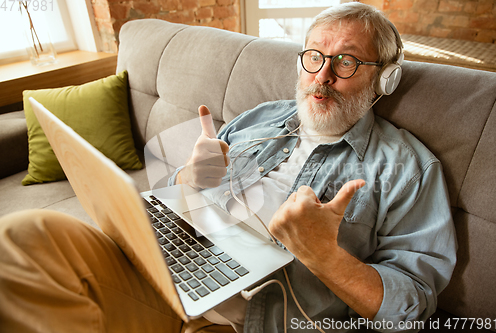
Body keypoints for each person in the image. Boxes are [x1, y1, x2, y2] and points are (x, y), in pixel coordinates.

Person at [0, 3, 456, 333]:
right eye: (315, 56)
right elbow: (189, 193)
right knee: (26, 235)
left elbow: (412, 307)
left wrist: (326, 257)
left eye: (347, 61)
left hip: (255, 321)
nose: (322, 76)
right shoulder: (260, 118)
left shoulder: (408, 169)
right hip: (171, 268)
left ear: (384, 78)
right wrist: (187, 180)